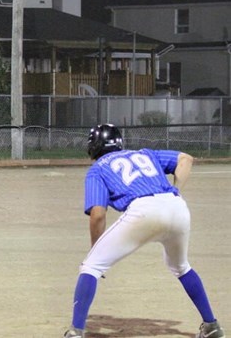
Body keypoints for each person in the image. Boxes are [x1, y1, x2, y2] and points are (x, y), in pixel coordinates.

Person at [63, 124, 225, 338]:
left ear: (93, 147)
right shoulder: (145, 154)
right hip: (177, 207)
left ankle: (76, 331)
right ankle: (211, 326)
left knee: (91, 266)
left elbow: (98, 214)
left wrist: (97, 249)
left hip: (142, 211)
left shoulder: (98, 169)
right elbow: (185, 159)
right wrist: (175, 190)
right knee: (181, 267)